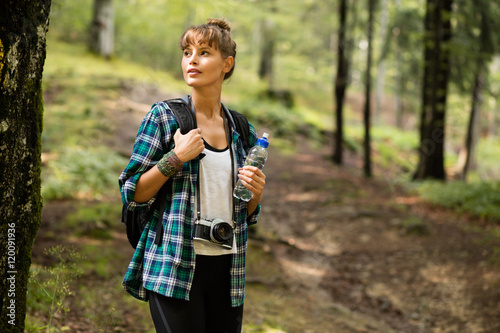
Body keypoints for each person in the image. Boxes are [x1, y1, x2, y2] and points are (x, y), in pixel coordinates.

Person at [118, 18, 266, 333]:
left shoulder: (241, 130)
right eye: (187, 52)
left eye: (204, 52)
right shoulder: (164, 117)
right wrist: (175, 158)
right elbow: (132, 192)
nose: (192, 60)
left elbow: (247, 215)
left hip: (227, 271)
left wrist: (255, 193)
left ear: (227, 64)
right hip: (174, 265)